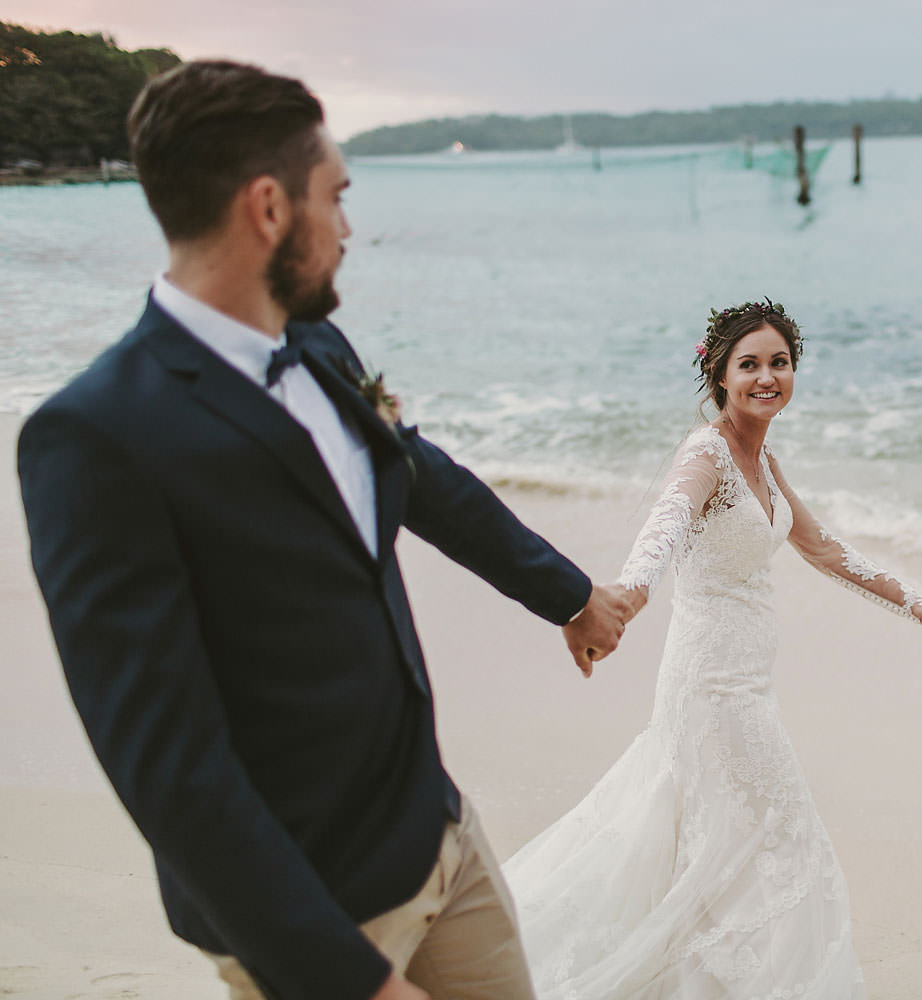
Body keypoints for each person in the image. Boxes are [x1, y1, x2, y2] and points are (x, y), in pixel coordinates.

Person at [16, 60, 637, 1000]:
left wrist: (569, 595)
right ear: (268, 209)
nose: (348, 229)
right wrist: (349, 980)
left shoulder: (316, 345)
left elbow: (423, 481)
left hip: (440, 836)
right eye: (335, 198)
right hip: (311, 913)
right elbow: (168, 768)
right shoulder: (95, 439)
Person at [503, 299, 922, 998]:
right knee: (784, 840)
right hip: (713, 689)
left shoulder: (766, 460)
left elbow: (820, 547)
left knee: (715, 850)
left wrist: (916, 603)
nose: (766, 377)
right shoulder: (708, 454)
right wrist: (627, 594)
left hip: (747, 684)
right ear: (718, 376)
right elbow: (665, 524)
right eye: (748, 365)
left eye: (778, 363)